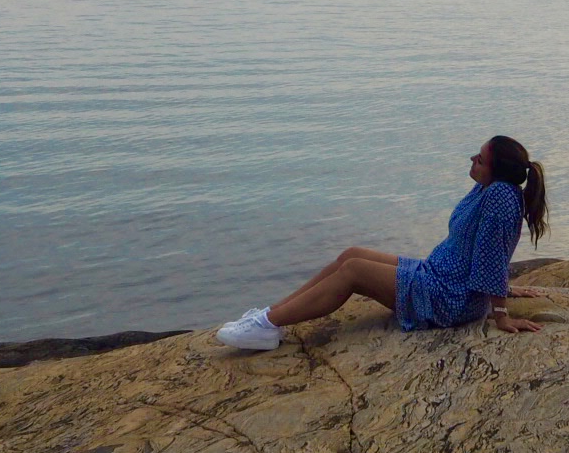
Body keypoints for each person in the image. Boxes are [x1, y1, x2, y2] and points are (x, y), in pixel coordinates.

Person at [216, 136, 548, 350]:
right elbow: (492, 248)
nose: (471, 158)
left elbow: (492, 251)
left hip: (449, 298)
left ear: (495, 169)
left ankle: (266, 326)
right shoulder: (489, 188)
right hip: (438, 274)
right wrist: (504, 284)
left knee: (354, 271)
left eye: (479, 158)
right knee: (351, 254)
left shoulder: (501, 198)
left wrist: (501, 314)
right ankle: (270, 317)